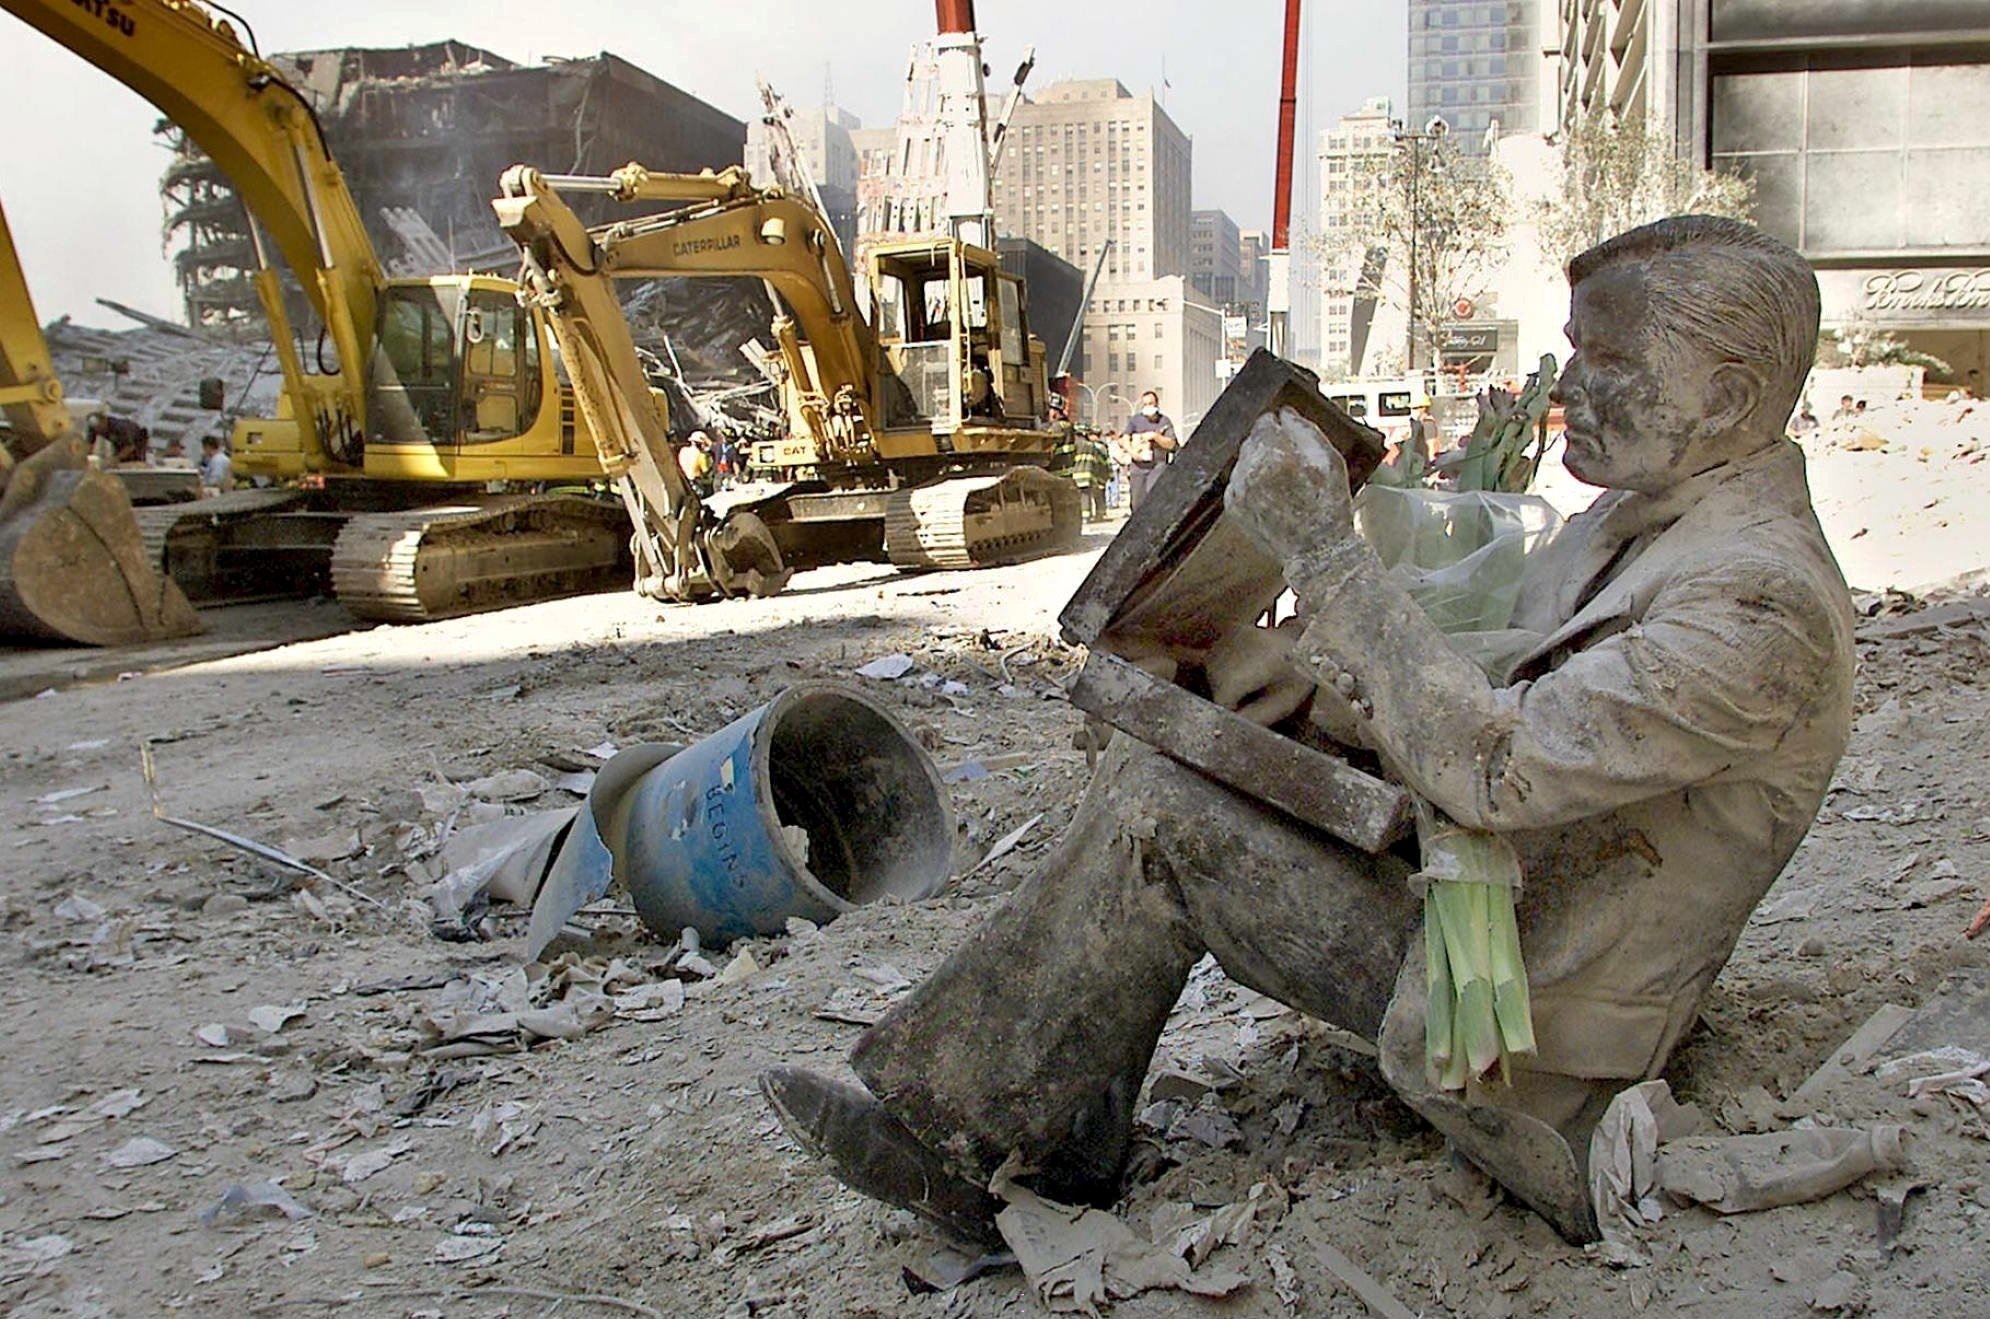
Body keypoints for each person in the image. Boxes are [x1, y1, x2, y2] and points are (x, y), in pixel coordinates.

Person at [758, 215, 1856, 1251]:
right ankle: (1056, 1127)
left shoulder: (1757, 602)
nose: (1564, 387)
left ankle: (967, 1149)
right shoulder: (1631, 523)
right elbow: (1485, 689)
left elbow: (1494, 765)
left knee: (1158, 816)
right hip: (1489, 917)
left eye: (1604, 359)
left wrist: (1327, 558)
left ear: (1725, 395)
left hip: (1536, 1021)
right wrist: (1261, 690)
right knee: (1160, 759)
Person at [1119, 389, 1178, 510]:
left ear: (1157, 404)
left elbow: (1172, 444)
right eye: (1145, 404)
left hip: (1158, 466)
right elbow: (1125, 438)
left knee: (1155, 498)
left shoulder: (1164, 421)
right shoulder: (1135, 420)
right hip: (1138, 467)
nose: (1148, 407)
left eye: (1151, 403)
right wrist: (1132, 452)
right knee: (1137, 503)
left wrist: (1155, 436)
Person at [680, 430, 716, 499]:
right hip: (700, 486)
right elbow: (706, 472)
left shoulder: (683, 450)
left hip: (685, 483)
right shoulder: (701, 456)